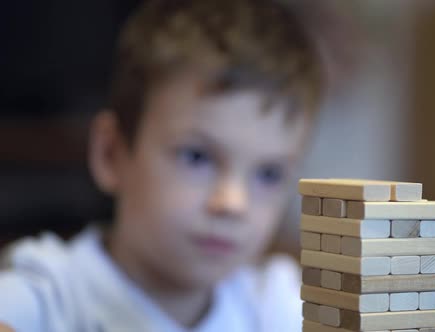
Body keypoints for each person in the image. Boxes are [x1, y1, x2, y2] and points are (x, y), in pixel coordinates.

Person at [0, 0, 321, 331]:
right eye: (197, 157)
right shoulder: (47, 292)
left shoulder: (275, 303)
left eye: (269, 174)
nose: (233, 204)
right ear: (111, 153)